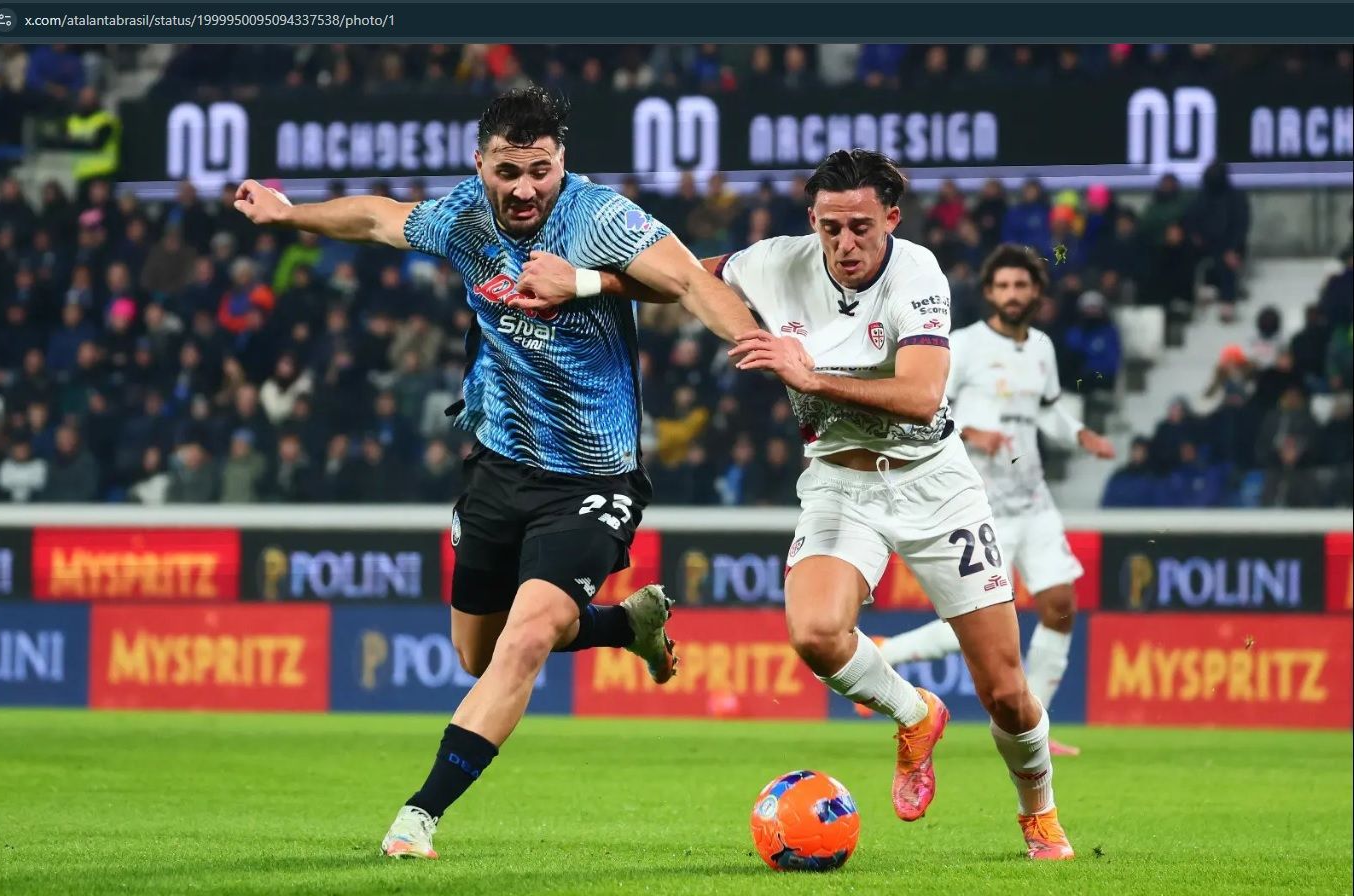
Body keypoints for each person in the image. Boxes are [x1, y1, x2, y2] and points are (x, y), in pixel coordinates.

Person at [232, 86, 758, 861]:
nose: (524, 189)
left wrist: (756, 343)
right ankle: (625, 625)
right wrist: (290, 215)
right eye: (508, 172)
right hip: (497, 468)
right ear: (480, 165)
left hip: (592, 481)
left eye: (540, 170)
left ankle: (419, 816)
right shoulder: (463, 217)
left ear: (561, 161)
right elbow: (378, 218)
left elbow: (688, 280)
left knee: (527, 638)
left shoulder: (598, 218)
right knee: (478, 656)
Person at [514, 150, 1076, 860]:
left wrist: (811, 377)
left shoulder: (918, 273)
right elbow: (681, 278)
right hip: (841, 483)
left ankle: (1039, 813)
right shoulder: (774, 262)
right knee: (815, 633)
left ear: (892, 219)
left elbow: (922, 393)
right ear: (812, 220)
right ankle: (915, 714)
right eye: (830, 227)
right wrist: (585, 282)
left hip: (935, 483)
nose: (845, 243)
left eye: (861, 227)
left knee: (1005, 692)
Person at [873, 244, 1116, 757]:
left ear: (1036, 292)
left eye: (1021, 285)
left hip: (1034, 499)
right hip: (980, 503)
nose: (1012, 294)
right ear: (989, 293)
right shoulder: (963, 344)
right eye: (1002, 286)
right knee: (971, 622)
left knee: (1060, 606)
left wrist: (1080, 435)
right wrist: (972, 431)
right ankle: (886, 653)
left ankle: (1036, 728)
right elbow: (927, 402)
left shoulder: (1042, 348)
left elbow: (1047, 411)